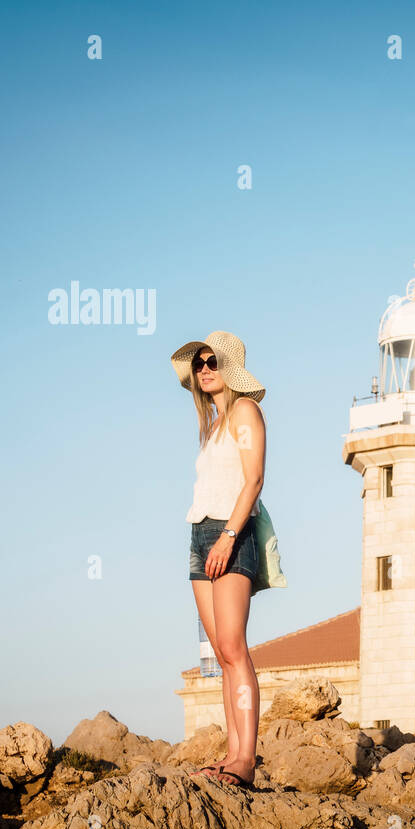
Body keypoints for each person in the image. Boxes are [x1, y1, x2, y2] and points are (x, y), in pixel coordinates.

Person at [169, 331, 267, 790]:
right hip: (198, 534)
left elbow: (253, 480)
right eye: (199, 363)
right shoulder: (211, 423)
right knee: (222, 656)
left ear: (229, 367)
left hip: (230, 532)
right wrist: (209, 538)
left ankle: (246, 760)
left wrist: (229, 536)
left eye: (211, 362)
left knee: (233, 647)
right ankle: (231, 754)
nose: (204, 369)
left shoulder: (245, 412)